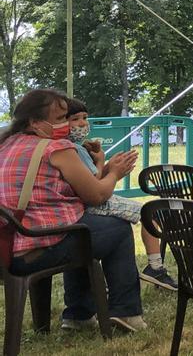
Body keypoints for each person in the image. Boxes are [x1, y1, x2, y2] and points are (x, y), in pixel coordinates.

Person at [0, 89, 147, 332]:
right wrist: (114, 173)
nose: (66, 126)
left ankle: (78, 315)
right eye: (59, 120)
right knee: (116, 230)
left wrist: (104, 169)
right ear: (35, 123)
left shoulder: (5, 145)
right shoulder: (56, 149)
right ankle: (126, 312)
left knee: (85, 230)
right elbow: (96, 195)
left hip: (8, 247)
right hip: (37, 248)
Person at [65, 98, 177, 290]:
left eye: (85, 117)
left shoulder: (77, 148)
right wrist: (103, 163)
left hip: (81, 204)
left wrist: (110, 166)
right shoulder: (73, 150)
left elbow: (94, 179)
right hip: (89, 204)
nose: (82, 123)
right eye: (75, 119)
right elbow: (95, 187)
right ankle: (155, 267)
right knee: (150, 213)